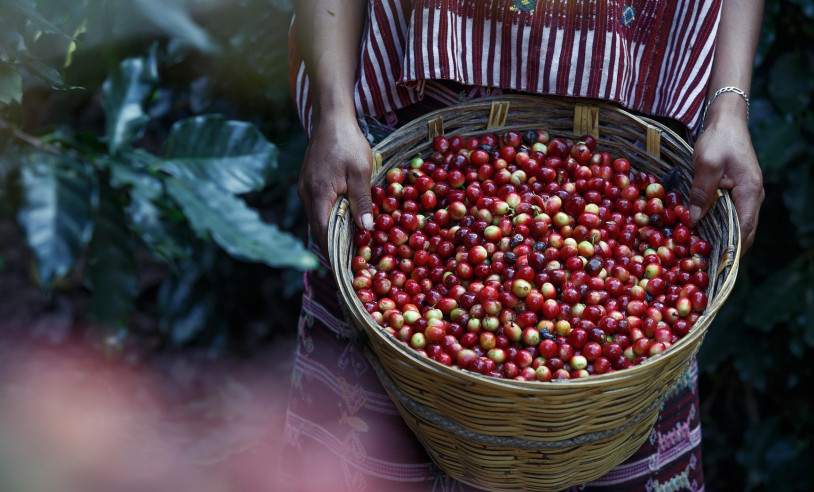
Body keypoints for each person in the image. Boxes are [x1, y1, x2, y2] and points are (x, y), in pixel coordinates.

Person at [281, 1, 764, 490]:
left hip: (635, 140)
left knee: (617, 413)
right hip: (412, 135)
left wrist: (729, 108)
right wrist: (333, 111)